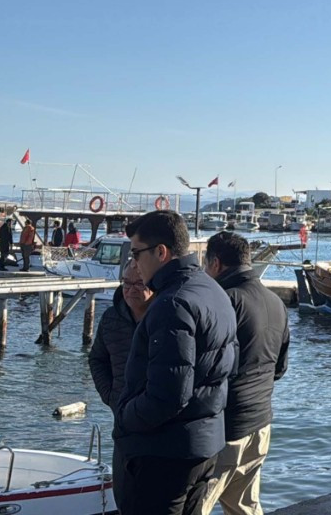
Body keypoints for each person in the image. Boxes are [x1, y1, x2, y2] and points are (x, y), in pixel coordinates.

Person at [114, 210, 238, 515]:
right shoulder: (214, 291)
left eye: (137, 253)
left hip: (163, 455)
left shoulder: (172, 304)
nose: (134, 263)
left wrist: (125, 416)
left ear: (161, 252)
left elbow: (168, 395)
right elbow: (230, 367)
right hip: (203, 444)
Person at [200, 232, 289, 515]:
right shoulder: (276, 302)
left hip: (226, 428)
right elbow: (280, 368)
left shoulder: (225, 301)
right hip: (261, 423)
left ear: (215, 264)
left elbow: (208, 370)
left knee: (194, 506)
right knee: (244, 507)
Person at [88, 261, 153, 499]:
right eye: (126, 283)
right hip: (123, 416)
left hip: (158, 418)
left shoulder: (165, 316)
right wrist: (111, 396)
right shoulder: (111, 317)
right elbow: (97, 359)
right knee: (124, 490)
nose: (131, 289)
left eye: (139, 283)